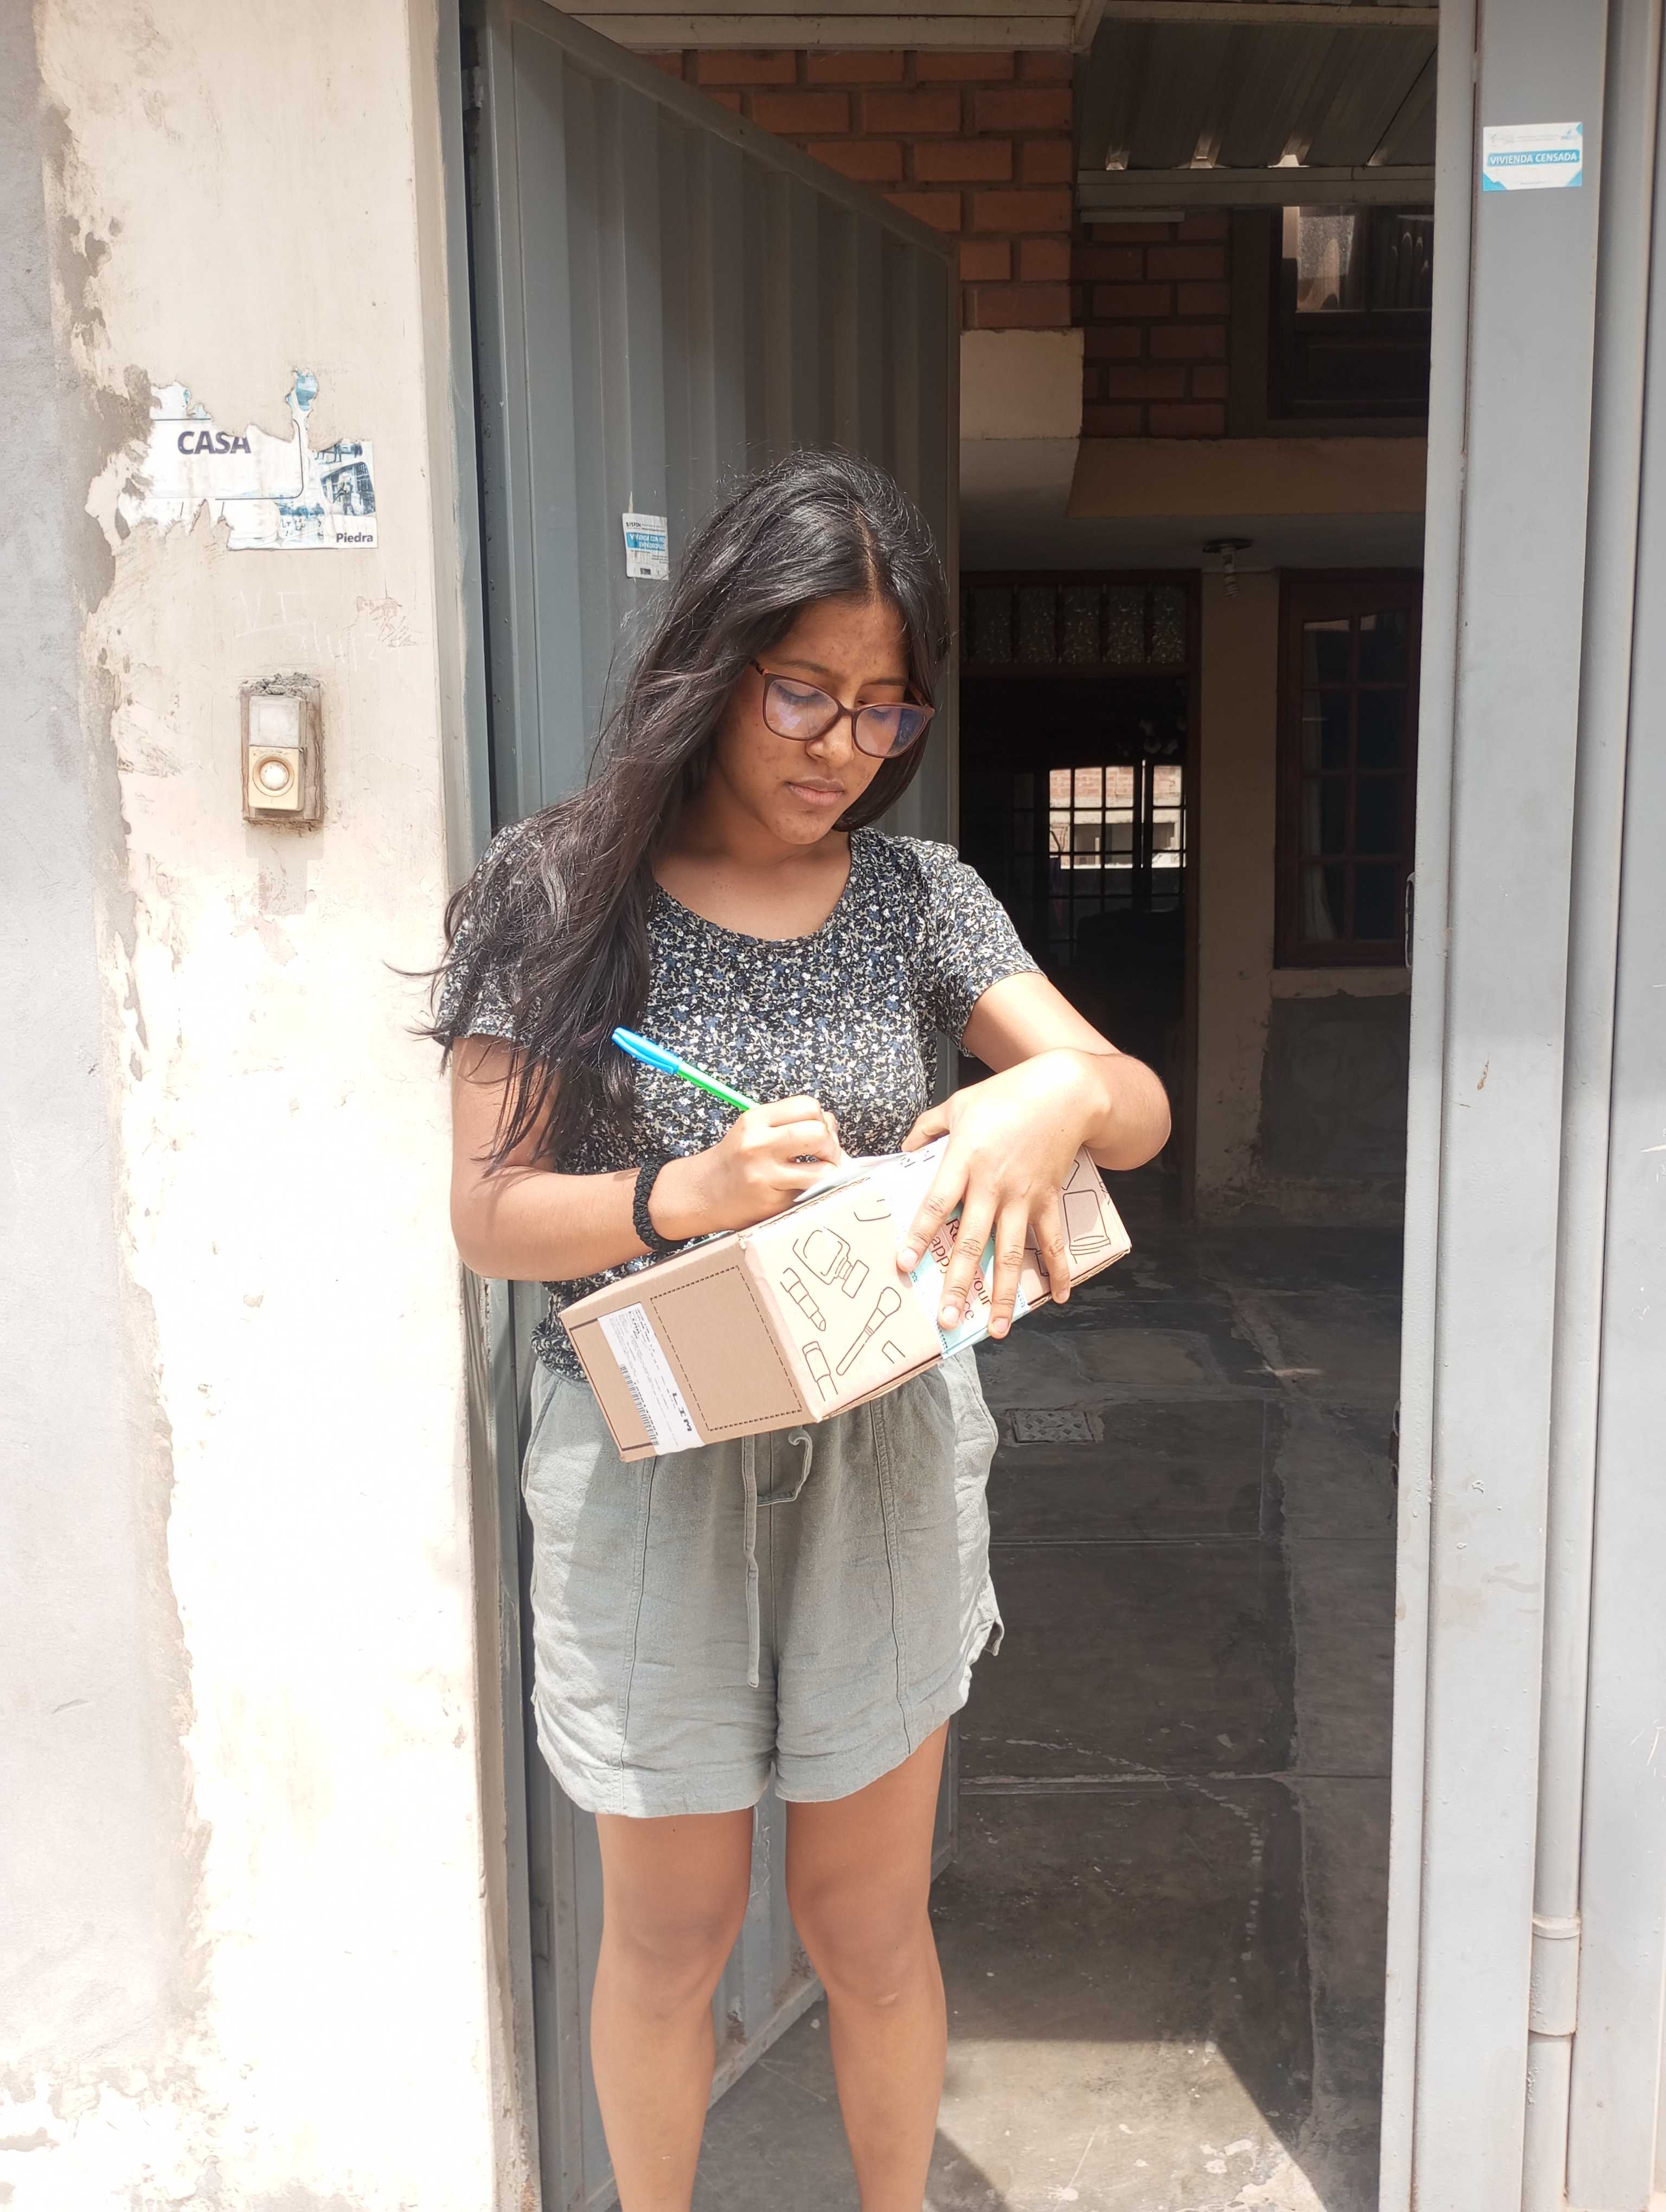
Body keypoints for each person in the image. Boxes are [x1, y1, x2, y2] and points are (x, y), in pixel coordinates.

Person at [431, 449, 1170, 2212]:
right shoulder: (559, 890)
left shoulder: (923, 902)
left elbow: (1135, 1108)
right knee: (669, 1938)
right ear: (716, 659)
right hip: (649, 1463)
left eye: (884, 709)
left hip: (882, 1454)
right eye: (803, 693)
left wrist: (1051, 1100)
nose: (843, 745)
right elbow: (488, 1212)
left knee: (870, 1928)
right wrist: (683, 1196)